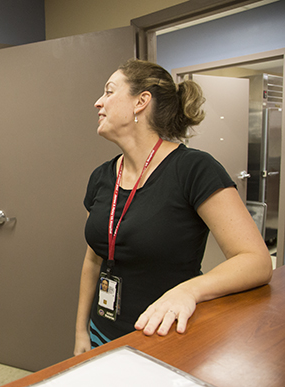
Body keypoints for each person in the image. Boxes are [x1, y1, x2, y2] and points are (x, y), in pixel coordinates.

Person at [74, 59, 273, 354]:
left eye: (109, 91)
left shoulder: (193, 169)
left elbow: (256, 260)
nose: (98, 102)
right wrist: (81, 333)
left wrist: (190, 290)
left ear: (141, 102)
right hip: (102, 333)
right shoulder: (102, 177)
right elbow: (93, 261)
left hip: (164, 338)